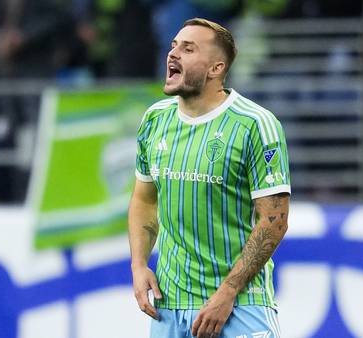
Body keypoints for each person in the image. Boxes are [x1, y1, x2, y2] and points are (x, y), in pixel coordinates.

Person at [128, 18, 290, 338]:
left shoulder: (255, 124)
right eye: (174, 46)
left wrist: (227, 292)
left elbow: (274, 220)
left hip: (241, 305)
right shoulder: (154, 120)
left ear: (216, 68)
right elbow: (144, 199)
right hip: (170, 306)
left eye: (188, 49)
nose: (173, 54)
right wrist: (138, 265)